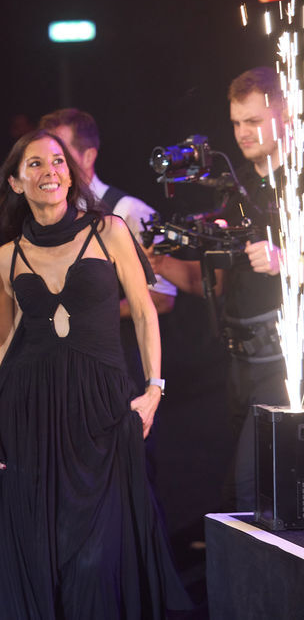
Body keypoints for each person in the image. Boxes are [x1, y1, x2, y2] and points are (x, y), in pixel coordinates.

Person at [0, 129, 190, 618]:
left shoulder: (109, 230)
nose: (49, 171)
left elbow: (144, 311)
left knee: (98, 561)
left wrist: (154, 387)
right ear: (15, 182)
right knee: (42, 556)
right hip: (30, 416)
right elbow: (7, 344)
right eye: (34, 163)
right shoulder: (6, 257)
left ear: (70, 175)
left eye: (57, 161)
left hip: (102, 414)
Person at [149, 67, 287, 510]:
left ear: (285, 115)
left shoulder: (298, 181)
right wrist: (155, 262)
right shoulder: (236, 187)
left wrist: (287, 261)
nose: (242, 132)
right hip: (239, 365)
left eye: (254, 121)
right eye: (236, 122)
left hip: (285, 364)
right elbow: (212, 282)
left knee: (246, 492)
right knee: (252, 498)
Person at [39, 108, 177, 382]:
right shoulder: (50, 215)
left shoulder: (127, 211)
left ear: (88, 156)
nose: (52, 167)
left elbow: (163, 298)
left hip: (120, 367)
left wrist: (87, 315)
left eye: (61, 155)